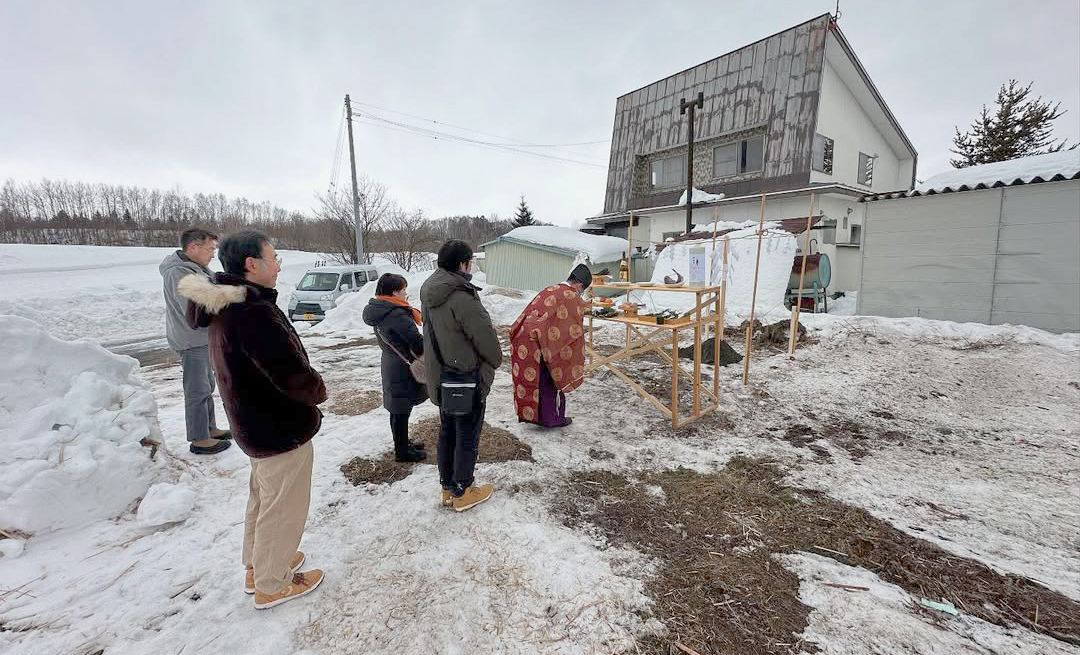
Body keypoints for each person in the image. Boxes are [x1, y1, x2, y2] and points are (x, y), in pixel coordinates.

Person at [178, 230, 326, 609]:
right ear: (251, 264)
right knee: (283, 505)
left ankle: (258, 565)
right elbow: (291, 374)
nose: (278, 267)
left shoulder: (229, 305)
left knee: (264, 496)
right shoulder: (252, 311)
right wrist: (317, 391)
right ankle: (272, 583)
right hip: (279, 426)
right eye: (274, 259)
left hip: (254, 422)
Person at [420, 240, 502, 512]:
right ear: (462, 264)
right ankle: (463, 491)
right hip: (467, 377)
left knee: (448, 432)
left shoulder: (430, 292)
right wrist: (495, 361)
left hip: (442, 376)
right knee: (467, 434)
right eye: (470, 262)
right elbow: (485, 339)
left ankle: (448, 487)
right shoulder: (461, 296)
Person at [159, 228, 232, 455]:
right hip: (192, 340)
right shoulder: (179, 272)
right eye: (210, 249)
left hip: (201, 338)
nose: (212, 254)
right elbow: (197, 309)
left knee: (206, 386)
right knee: (197, 390)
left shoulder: (195, 268)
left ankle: (209, 428)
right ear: (193, 247)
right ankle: (199, 439)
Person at [509, 264, 591, 428]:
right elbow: (571, 330)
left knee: (530, 378)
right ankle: (551, 419)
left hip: (523, 336)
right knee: (550, 375)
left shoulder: (550, 289)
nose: (580, 293)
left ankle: (530, 416)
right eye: (582, 290)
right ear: (580, 284)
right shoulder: (571, 296)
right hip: (540, 340)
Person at [362, 273, 428, 462]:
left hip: (392, 362)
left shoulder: (380, 309)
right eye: (403, 289)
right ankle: (403, 452)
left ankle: (403, 443)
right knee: (401, 409)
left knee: (398, 408)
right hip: (402, 367)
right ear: (394, 292)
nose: (406, 293)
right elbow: (417, 344)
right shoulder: (396, 314)